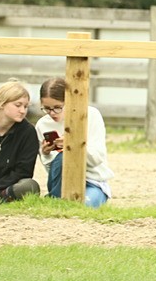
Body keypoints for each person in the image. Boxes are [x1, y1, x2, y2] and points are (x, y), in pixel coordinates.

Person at [35, 77, 113, 208]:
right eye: (47, 109)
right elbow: (51, 171)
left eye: (57, 108)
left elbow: (97, 158)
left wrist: (73, 145)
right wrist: (46, 153)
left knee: (83, 206)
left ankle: (57, 201)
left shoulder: (91, 115)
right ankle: (56, 200)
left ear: (69, 101)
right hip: (61, 184)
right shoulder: (42, 125)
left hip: (91, 181)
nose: (52, 113)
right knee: (61, 159)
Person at [0, 79, 41, 202]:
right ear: (1, 104)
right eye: (18, 105)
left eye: (26, 106)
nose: (23, 111)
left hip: (5, 188)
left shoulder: (28, 132)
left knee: (29, 186)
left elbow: (23, 172)